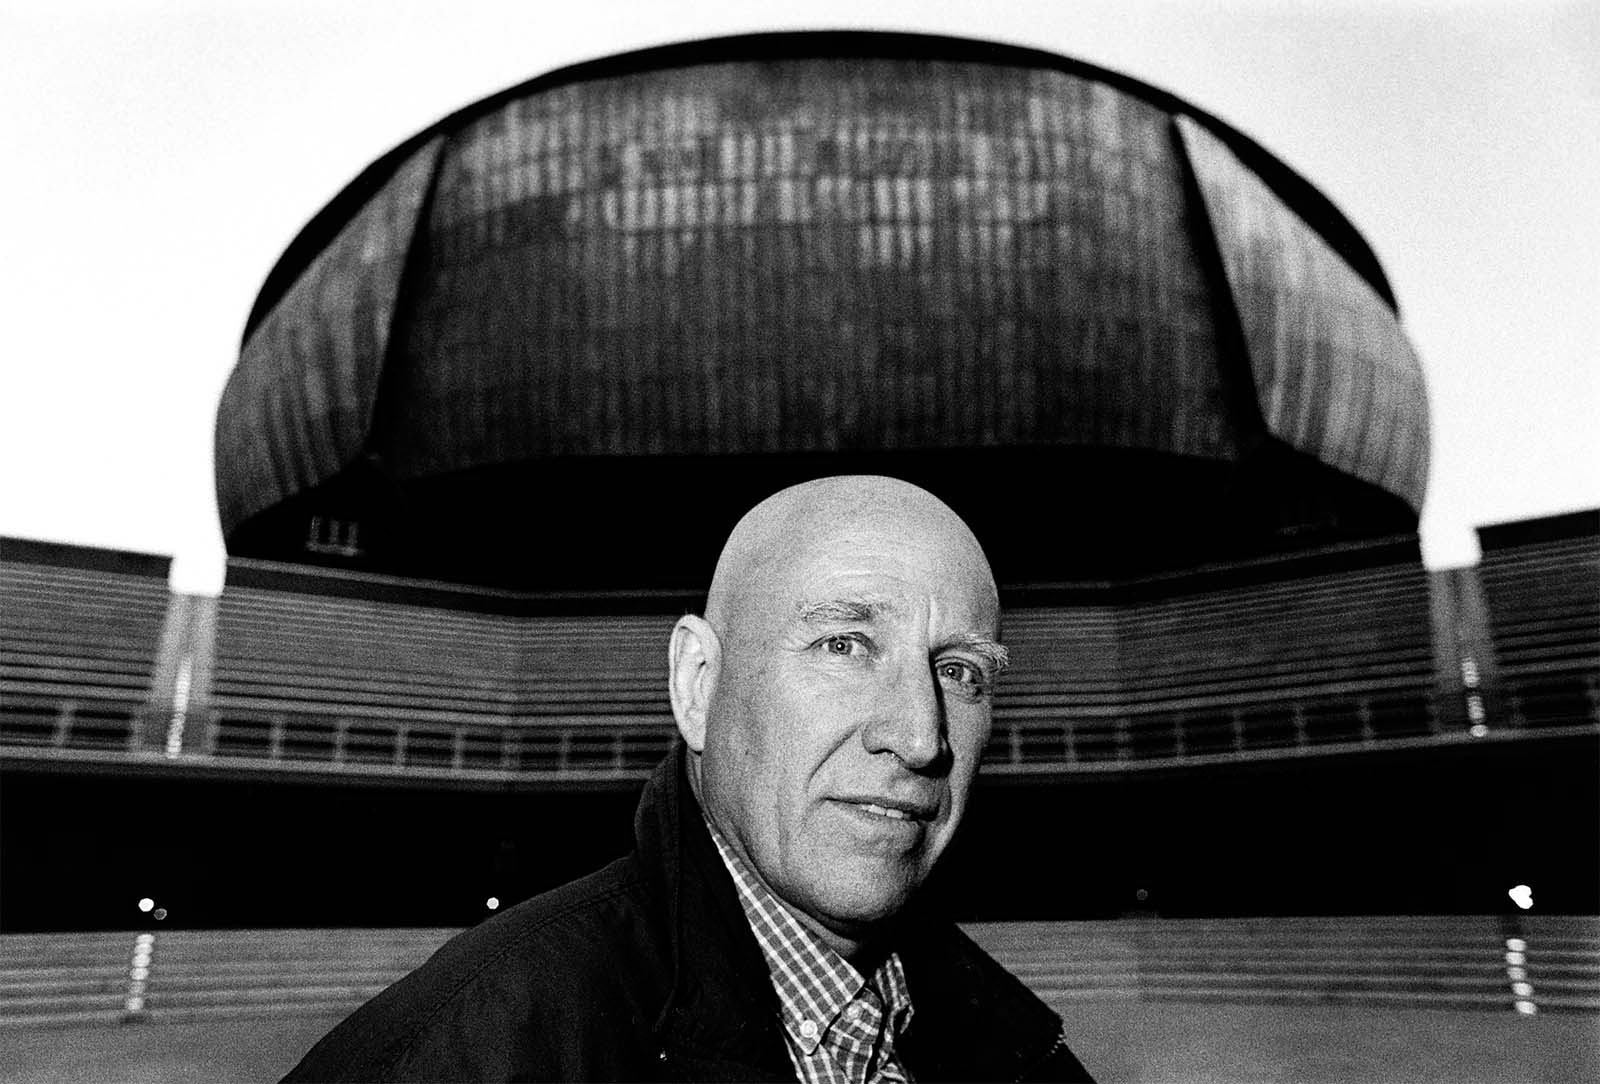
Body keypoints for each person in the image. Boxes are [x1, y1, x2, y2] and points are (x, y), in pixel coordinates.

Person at [284, 475, 1092, 1082]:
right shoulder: (464, 1053)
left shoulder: (1022, 1049)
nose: (921, 737)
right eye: (843, 644)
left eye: (959, 672)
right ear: (699, 684)